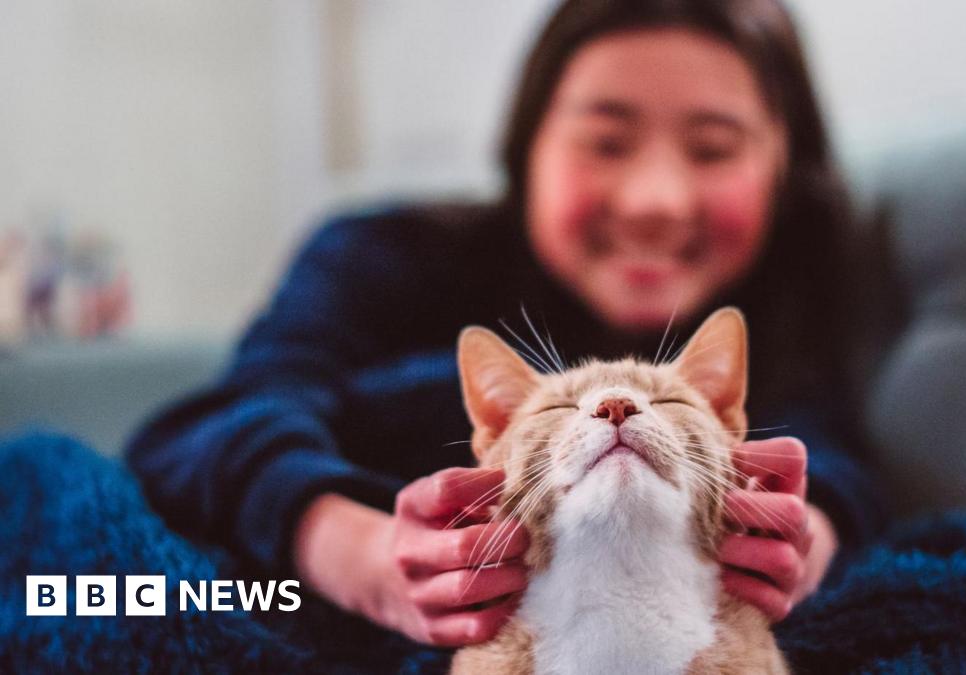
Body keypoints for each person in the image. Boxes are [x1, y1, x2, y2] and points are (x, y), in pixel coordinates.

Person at [127, 0, 884, 650]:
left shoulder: (789, 307)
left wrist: (801, 542)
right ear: (529, 145)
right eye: (606, 141)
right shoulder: (376, 253)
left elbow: (833, 465)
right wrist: (369, 560)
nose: (657, 197)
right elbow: (226, 418)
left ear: (785, 169)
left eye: (713, 149)